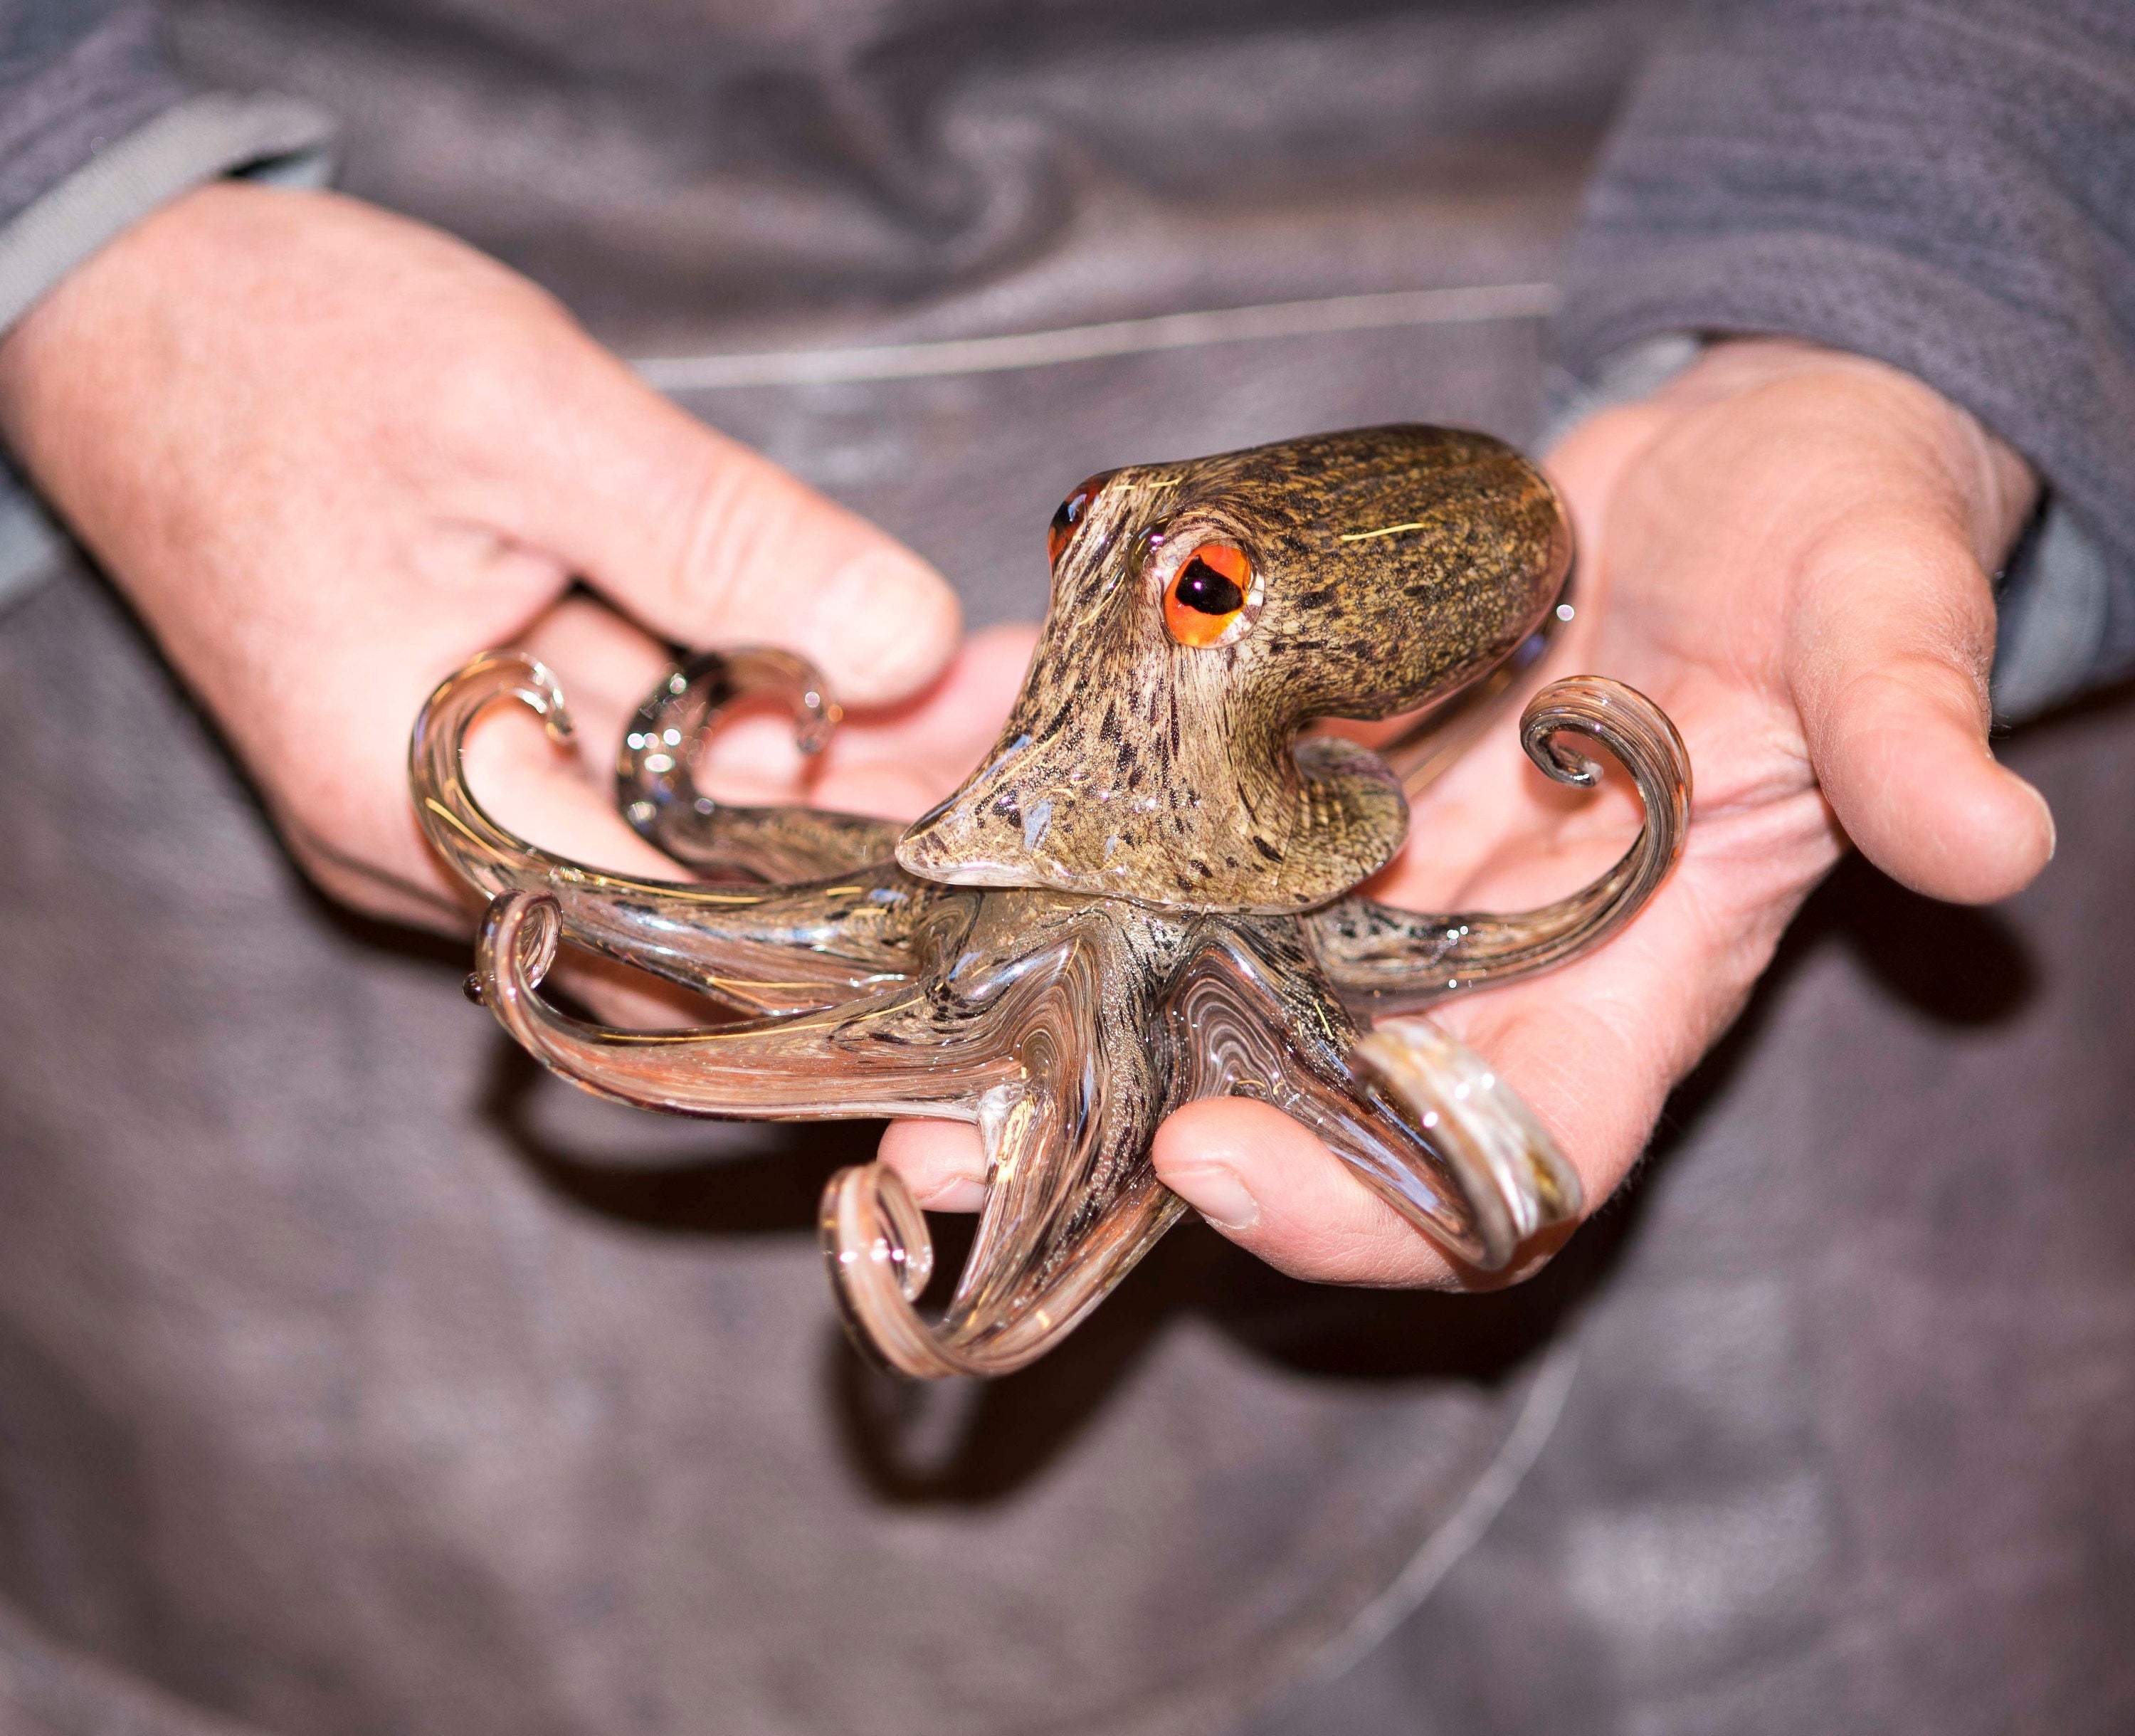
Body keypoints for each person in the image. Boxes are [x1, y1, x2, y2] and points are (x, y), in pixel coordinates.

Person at [0, 2, 2126, 1732]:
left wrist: (1902, 261)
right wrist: (78, 234)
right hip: (223, 588)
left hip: (1624, 308)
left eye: (1193, 593)